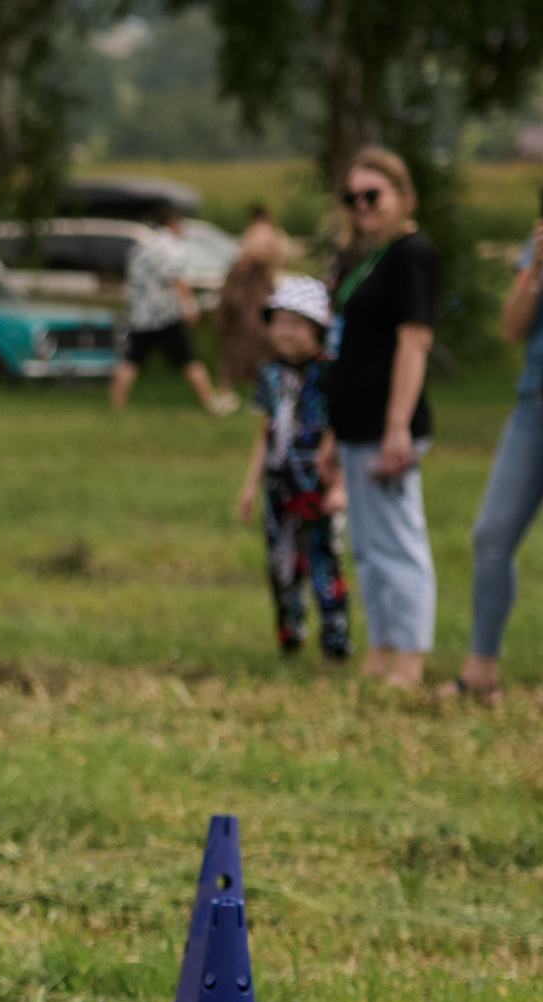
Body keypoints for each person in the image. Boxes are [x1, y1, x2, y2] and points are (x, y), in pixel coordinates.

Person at [446, 130, 543, 715]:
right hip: (538, 403)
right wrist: (535, 267)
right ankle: (480, 671)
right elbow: (510, 328)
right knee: (492, 534)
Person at [326, 147, 440, 691]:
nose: (362, 206)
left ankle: (410, 659)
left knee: (399, 542)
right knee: (367, 547)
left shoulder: (412, 253)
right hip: (352, 422)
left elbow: (414, 340)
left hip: (387, 423)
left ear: (402, 195)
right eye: (354, 197)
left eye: (374, 196)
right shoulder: (368, 256)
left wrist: (398, 425)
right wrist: (332, 429)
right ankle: (382, 647)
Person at [236, 276, 349, 661]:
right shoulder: (269, 373)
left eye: (297, 323)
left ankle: (335, 640)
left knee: (324, 559)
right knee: (281, 563)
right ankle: (290, 633)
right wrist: (250, 485)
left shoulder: (331, 373)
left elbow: (344, 430)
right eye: (279, 321)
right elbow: (266, 431)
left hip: (319, 483)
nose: (286, 332)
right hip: (278, 484)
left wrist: (340, 486)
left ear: (317, 328)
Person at [111, 203, 235, 415]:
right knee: (190, 361)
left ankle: (116, 406)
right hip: (164, 316)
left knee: (130, 361)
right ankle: (211, 404)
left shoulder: (144, 245)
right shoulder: (170, 247)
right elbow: (178, 279)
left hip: (141, 315)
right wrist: (189, 306)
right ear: (173, 223)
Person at [215, 204, 289, 399]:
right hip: (245, 291)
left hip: (255, 292)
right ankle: (229, 389)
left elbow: (270, 259)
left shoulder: (267, 235)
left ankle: (260, 390)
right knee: (232, 341)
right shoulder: (269, 235)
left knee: (258, 339)